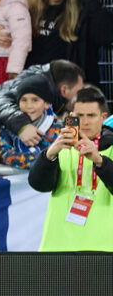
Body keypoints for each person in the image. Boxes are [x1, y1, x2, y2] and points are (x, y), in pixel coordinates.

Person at [28, 86, 113, 251]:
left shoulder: (110, 148)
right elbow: (39, 185)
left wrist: (99, 160)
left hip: (104, 246)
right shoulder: (61, 148)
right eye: (80, 116)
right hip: (58, 245)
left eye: (91, 115)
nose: (85, 122)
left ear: (103, 117)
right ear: (72, 117)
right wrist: (49, 155)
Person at [0, 60, 85, 151]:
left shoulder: (56, 114)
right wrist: (23, 126)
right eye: (79, 91)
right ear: (64, 90)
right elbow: (0, 102)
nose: (29, 105)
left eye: (35, 100)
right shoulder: (31, 82)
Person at [0, 79, 62, 170]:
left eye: (35, 100)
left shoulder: (60, 129)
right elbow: (3, 154)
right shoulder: (8, 128)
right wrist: (45, 159)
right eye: (24, 100)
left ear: (47, 104)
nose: (29, 106)